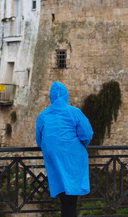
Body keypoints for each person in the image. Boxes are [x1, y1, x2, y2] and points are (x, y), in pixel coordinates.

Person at [36, 81, 93, 217]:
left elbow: (39, 140)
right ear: (66, 96)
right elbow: (87, 134)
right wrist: (79, 146)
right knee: (71, 201)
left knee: (65, 199)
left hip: (54, 161)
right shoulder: (74, 112)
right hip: (73, 161)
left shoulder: (43, 116)